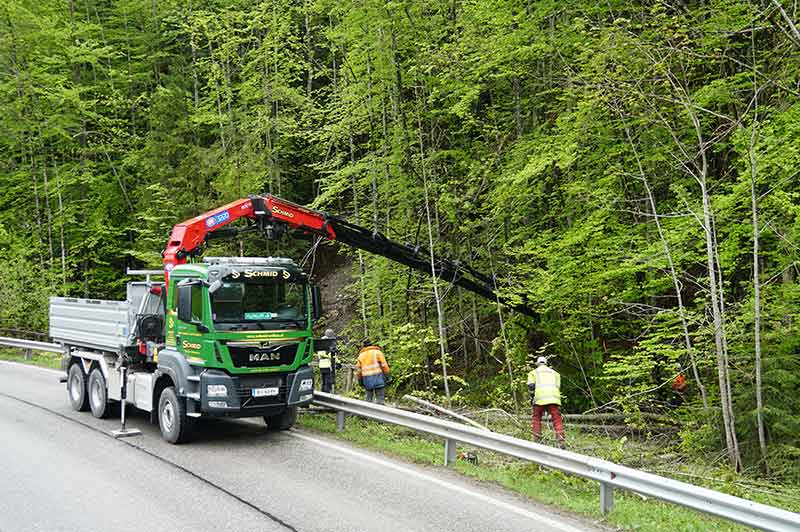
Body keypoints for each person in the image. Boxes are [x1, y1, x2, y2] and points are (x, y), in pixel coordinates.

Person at [527, 356, 565, 448]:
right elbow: (558, 387)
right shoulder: (555, 373)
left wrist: (532, 398)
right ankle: (561, 441)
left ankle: (537, 440)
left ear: (537, 363)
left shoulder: (533, 373)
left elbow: (531, 387)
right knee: (557, 419)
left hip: (539, 399)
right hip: (553, 399)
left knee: (536, 419)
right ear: (546, 363)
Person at [317, 328, 337, 393]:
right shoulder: (326, 343)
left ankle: (323, 394)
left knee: (324, 382)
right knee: (327, 382)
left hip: (322, 365)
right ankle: (326, 394)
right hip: (328, 365)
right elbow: (331, 355)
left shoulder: (321, 342)